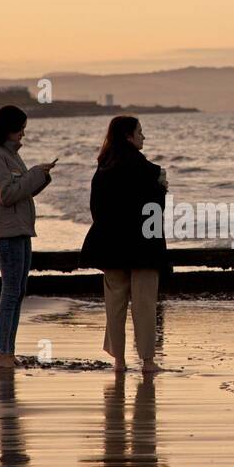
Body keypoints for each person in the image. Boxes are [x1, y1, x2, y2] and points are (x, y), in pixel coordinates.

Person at [80, 116, 169, 373]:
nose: (144, 136)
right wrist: (162, 189)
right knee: (144, 303)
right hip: (143, 247)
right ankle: (148, 361)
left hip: (111, 246)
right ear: (129, 137)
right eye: (140, 132)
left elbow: (96, 208)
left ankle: (119, 360)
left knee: (114, 304)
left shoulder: (103, 168)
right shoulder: (148, 170)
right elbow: (154, 210)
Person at [0, 105, 56, 369]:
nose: (23, 133)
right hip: (7, 233)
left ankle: (8, 352)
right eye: (20, 128)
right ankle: (2, 353)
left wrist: (41, 177)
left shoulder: (10, 155)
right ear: (7, 129)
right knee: (11, 292)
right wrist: (35, 173)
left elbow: (20, 191)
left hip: (20, 230)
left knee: (19, 291)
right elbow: (7, 195)